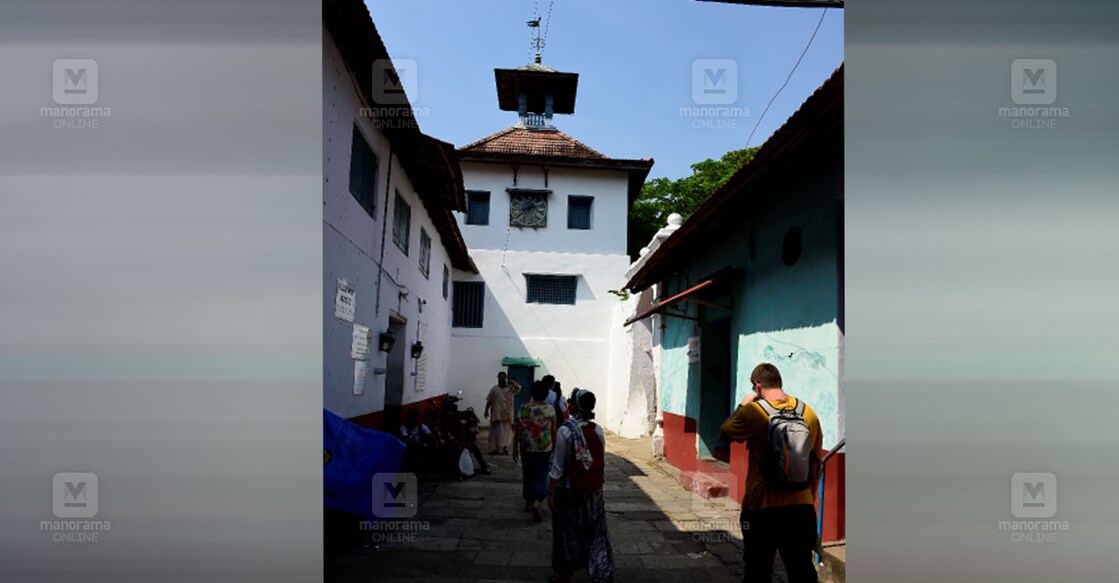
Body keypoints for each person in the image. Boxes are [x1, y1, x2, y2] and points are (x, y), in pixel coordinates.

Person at [719, 363, 824, 583]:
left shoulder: (754, 412)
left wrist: (742, 404)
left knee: (758, 571)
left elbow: (726, 433)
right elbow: (816, 464)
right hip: (800, 507)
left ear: (758, 386)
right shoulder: (808, 412)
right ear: (779, 382)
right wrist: (809, 501)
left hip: (761, 508)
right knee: (802, 571)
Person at [547, 389, 613, 583]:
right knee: (594, 530)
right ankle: (599, 569)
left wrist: (551, 492)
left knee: (565, 532)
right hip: (593, 491)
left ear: (575, 405)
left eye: (570, 401)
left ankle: (564, 572)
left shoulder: (565, 431)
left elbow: (557, 468)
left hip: (569, 490)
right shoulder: (597, 430)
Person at [513, 381, 557, 522]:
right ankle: (539, 500)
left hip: (527, 446)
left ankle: (529, 501)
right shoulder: (550, 410)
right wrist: (554, 446)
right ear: (545, 394)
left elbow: (518, 430)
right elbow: (553, 431)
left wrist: (514, 447)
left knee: (528, 473)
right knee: (542, 474)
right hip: (544, 447)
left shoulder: (524, 408)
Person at [484, 372, 520, 455]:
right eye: (500, 377)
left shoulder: (510, 389)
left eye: (503, 378)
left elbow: (518, 387)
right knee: (495, 432)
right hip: (496, 414)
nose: (501, 379)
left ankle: (504, 448)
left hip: (507, 414)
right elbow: (489, 401)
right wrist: (486, 410)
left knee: (506, 432)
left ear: (505, 378)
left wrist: (512, 381)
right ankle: (494, 449)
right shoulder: (494, 389)